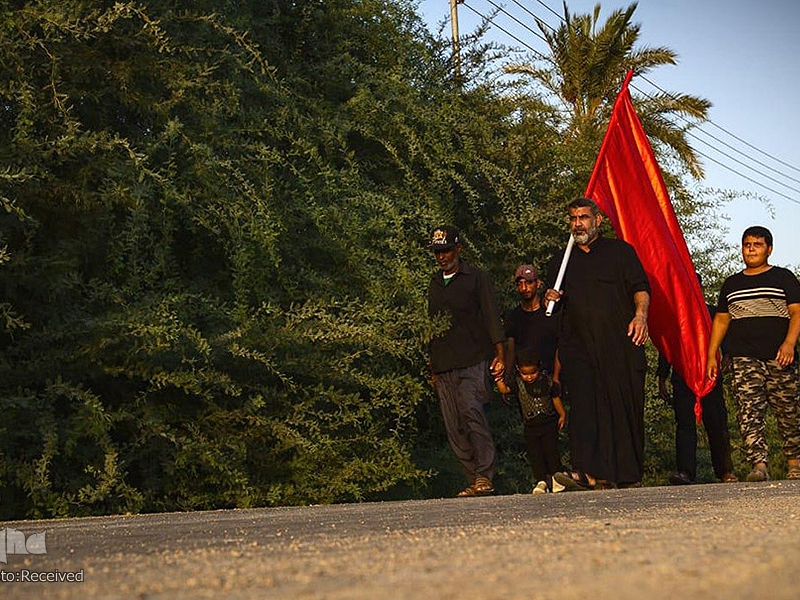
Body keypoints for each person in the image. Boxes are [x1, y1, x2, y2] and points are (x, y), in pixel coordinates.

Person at [544, 197, 650, 490]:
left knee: (620, 407)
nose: (578, 224)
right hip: (578, 348)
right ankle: (585, 472)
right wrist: (549, 298)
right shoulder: (560, 262)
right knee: (584, 409)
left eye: (584, 217)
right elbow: (554, 306)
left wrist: (641, 317)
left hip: (620, 346)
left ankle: (625, 475)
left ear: (597, 220)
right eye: (573, 218)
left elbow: (641, 289)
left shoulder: (620, 253)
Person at [706, 226, 800, 482]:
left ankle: (795, 464)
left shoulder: (784, 278)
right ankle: (759, 465)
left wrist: (790, 343)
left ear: (769, 249)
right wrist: (711, 353)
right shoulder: (732, 283)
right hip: (743, 358)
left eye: (757, 244)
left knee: (788, 412)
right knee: (748, 412)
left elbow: (797, 313)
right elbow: (722, 320)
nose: (751, 249)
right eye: (747, 244)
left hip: (779, 356)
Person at [427, 225, 506, 497]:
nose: (442, 257)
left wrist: (500, 354)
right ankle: (472, 479)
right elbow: (432, 327)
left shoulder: (476, 277)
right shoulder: (434, 283)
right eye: (438, 252)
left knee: (472, 413)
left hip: (474, 360)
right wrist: (432, 366)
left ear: (459, 249)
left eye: (447, 250)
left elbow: (491, 315)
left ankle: (485, 475)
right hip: (444, 364)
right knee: (453, 425)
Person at [657, 280, 737, 485]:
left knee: (716, 422)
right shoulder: (675, 315)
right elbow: (667, 348)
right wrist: (662, 377)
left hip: (708, 374)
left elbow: (725, 335)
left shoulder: (711, 312)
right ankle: (685, 472)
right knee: (684, 424)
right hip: (682, 374)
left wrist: (728, 355)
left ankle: (725, 471)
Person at [495, 347, 566, 494]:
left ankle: (557, 479)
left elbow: (555, 398)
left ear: (538, 368)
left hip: (549, 424)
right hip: (531, 427)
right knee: (535, 454)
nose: (529, 377)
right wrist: (498, 378)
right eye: (525, 374)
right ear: (518, 370)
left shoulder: (547, 382)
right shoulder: (518, 384)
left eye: (532, 372)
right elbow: (504, 390)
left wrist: (562, 414)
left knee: (551, 451)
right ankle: (541, 481)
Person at [504, 264, 558, 376]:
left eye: (529, 283)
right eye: (520, 284)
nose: (524, 288)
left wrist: (556, 379)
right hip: (524, 380)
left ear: (538, 283)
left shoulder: (551, 313)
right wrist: (507, 377)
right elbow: (510, 350)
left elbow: (559, 347)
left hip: (549, 376)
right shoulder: (513, 316)